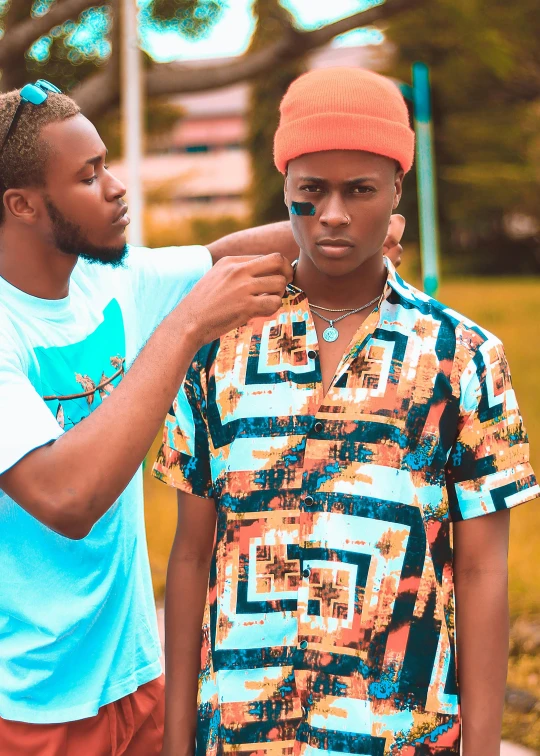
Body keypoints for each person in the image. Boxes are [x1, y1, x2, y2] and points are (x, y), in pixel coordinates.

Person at [0, 78, 405, 753]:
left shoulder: (108, 279)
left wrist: (340, 219)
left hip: (134, 677)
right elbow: (66, 499)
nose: (116, 187)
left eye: (107, 164)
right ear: (23, 204)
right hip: (28, 705)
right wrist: (185, 326)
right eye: (89, 176)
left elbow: (225, 257)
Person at [154, 68, 539, 756]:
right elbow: (191, 554)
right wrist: (175, 740)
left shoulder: (465, 356)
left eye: (358, 190)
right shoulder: (216, 350)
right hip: (244, 733)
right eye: (311, 191)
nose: (332, 213)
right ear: (286, 191)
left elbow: (481, 572)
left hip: (395, 735)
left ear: (396, 190)